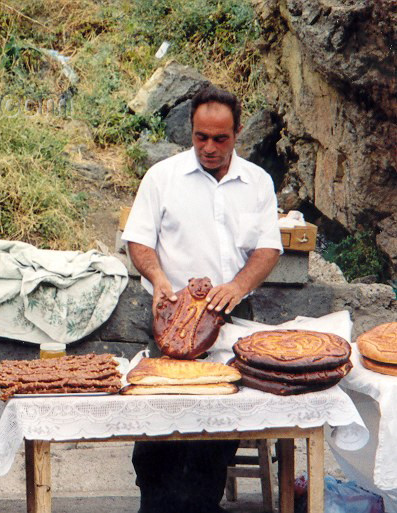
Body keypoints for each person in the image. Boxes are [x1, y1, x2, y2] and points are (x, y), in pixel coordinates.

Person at [121, 85, 283, 513]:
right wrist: (157, 278)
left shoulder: (257, 183)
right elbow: (138, 240)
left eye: (220, 139)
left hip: (228, 315)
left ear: (238, 133)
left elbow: (267, 250)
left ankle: (202, 505)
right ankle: (154, 504)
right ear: (190, 131)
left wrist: (238, 286)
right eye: (200, 137)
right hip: (170, 314)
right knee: (157, 424)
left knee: (215, 429)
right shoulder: (163, 177)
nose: (209, 148)